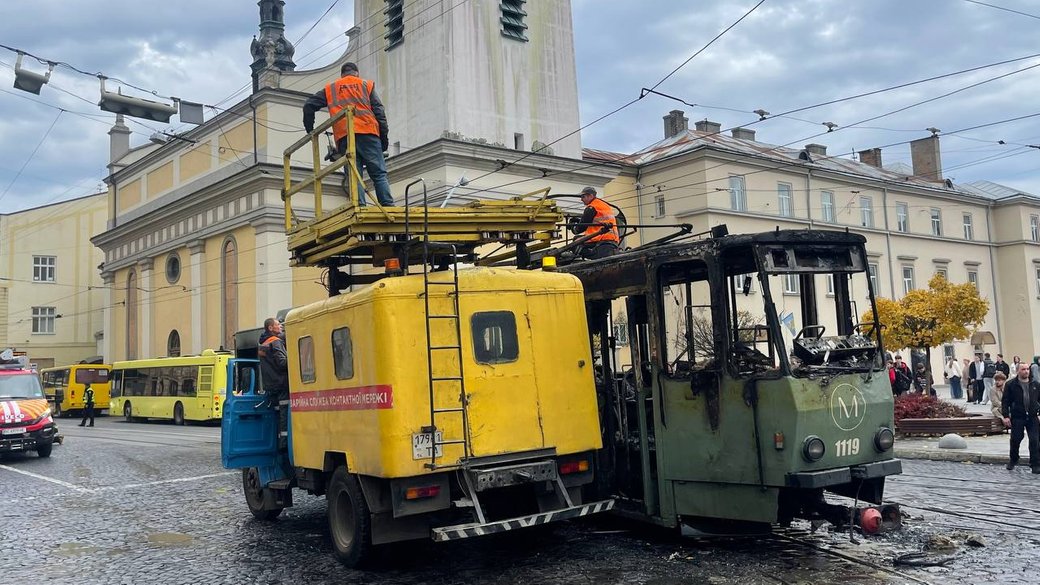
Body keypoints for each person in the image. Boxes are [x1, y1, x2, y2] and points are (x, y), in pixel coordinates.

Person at [302, 62, 393, 207]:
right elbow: (379, 113)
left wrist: (310, 130)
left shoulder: (332, 88)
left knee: (353, 176)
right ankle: (388, 206)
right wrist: (384, 140)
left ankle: (360, 207)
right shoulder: (366, 85)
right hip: (368, 133)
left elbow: (308, 106)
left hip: (346, 137)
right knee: (379, 174)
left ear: (342, 75)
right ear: (356, 73)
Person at [1000, 363, 1040, 473]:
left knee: (1035, 440)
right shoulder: (1011, 384)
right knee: (1016, 439)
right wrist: (1006, 416)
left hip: (1032, 417)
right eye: (1023, 369)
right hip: (1018, 416)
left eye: (1027, 369)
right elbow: (1005, 401)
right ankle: (1013, 459)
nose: (1026, 371)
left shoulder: (1035, 384)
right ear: (1018, 371)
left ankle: (1035, 464)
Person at [258, 317, 289, 449]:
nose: (281, 326)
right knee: (284, 416)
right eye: (278, 325)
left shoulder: (262, 343)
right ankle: (284, 446)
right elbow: (282, 362)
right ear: (270, 328)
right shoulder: (275, 342)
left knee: (275, 416)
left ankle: (275, 445)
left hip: (270, 385)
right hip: (281, 384)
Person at [571, 186, 620, 260]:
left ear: (590, 196)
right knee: (579, 240)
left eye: (583, 197)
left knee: (575, 242)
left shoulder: (591, 208)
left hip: (600, 238)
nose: (581, 199)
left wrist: (573, 227)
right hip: (612, 239)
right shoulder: (603, 205)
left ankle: (580, 259)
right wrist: (579, 221)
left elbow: (580, 228)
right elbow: (594, 221)